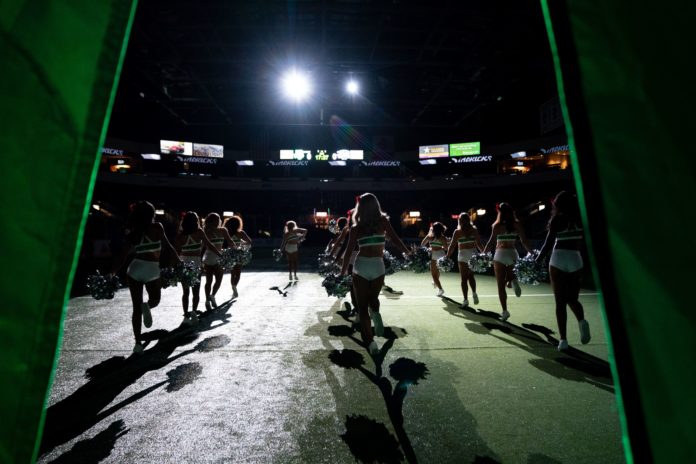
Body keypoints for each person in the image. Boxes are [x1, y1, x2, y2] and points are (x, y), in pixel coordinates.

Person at [340, 193, 411, 355]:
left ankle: (371, 343)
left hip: (361, 266)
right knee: (374, 299)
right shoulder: (383, 222)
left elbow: (348, 252)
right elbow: (395, 239)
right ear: (376, 206)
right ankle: (377, 313)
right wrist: (408, 253)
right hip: (378, 266)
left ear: (360, 207)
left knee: (362, 308)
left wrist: (343, 273)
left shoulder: (356, 228)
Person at [110, 201, 179, 353]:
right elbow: (168, 247)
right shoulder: (157, 227)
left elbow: (122, 256)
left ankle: (137, 344)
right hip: (152, 270)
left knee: (136, 309)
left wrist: (112, 272)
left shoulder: (132, 232)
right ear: (151, 214)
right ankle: (147, 306)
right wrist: (179, 263)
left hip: (134, 269)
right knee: (154, 300)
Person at [537, 191, 591, 351]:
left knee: (560, 302)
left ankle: (563, 340)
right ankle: (582, 321)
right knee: (573, 299)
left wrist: (537, 261)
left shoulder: (557, 219)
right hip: (576, 258)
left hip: (559, 258)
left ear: (558, 204)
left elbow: (548, 243)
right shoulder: (581, 218)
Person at [484, 202, 532, 321]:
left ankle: (505, 311)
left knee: (501, 285)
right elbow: (524, 240)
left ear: (499, 212)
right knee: (509, 277)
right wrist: (531, 252)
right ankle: (513, 280)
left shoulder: (496, 225)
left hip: (500, 254)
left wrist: (483, 254)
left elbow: (491, 242)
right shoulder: (516, 224)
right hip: (512, 253)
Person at [175, 211, 221, 324]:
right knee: (196, 292)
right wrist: (220, 255)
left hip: (184, 264)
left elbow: (176, 252)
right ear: (196, 221)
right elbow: (210, 245)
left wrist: (176, 265)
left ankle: (186, 316)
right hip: (196, 264)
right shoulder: (199, 232)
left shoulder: (180, 235)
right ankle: (194, 313)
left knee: (185, 292)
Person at [447, 213, 484, 308]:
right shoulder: (473, 230)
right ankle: (474, 294)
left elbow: (452, 246)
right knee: (471, 276)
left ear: (459, 220)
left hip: (463, 255)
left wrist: (447, 256)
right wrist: (484, 254)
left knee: (464, 279)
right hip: (472, 254)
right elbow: (479, 244)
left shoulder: (457, 231)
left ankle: (465, 300)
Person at [202, 212, 236, 309]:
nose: (218, 221)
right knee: (212, 280)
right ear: (211, 221)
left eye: (218, 219)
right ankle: (209, 298)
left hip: (215, 256)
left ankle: (210, 298)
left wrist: (235, 248)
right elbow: (207, 246)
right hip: (213, 256)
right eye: (215, 220)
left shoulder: (222, 230)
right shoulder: (207, 231)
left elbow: (230, 241)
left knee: (215, 280)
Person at [223, 215, 252, 298]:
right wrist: (242, 244)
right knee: (238, 274)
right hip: (238, 254)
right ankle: (235, 287)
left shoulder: (226, 233)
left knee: (232, 274)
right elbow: (249, 241)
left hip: (229, 255)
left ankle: (233, 289)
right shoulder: (241, 233)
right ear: (238, 224)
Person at [421, 222, 450, 297]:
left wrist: (430, 248)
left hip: (434, 256)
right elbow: (446, 249)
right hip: (441, 255)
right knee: (437, 272)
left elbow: (422, 244)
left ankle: (440, 289)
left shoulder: (429, 236)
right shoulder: (443, 237)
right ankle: (436, 283)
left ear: (433, 229)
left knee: (433, 275)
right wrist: (443, 246)